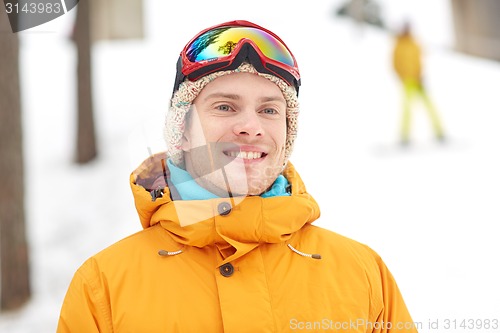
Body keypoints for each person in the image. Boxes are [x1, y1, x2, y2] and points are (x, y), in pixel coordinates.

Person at [57, 20, 418, 332]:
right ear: (181, 130)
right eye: (225, 106)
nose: (251, 127)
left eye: (269, 110)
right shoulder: (103, 286)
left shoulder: (362, 272)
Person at [392, 21, 445, 145]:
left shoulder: (415, 43)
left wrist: (420, 74)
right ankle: (404, 136)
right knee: (407, 109)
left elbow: (420, 59)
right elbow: (395, 64)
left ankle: (439, 132)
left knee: (430, 107)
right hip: (408, 81)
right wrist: (402, 77)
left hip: (419, 79)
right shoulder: (398, 45)